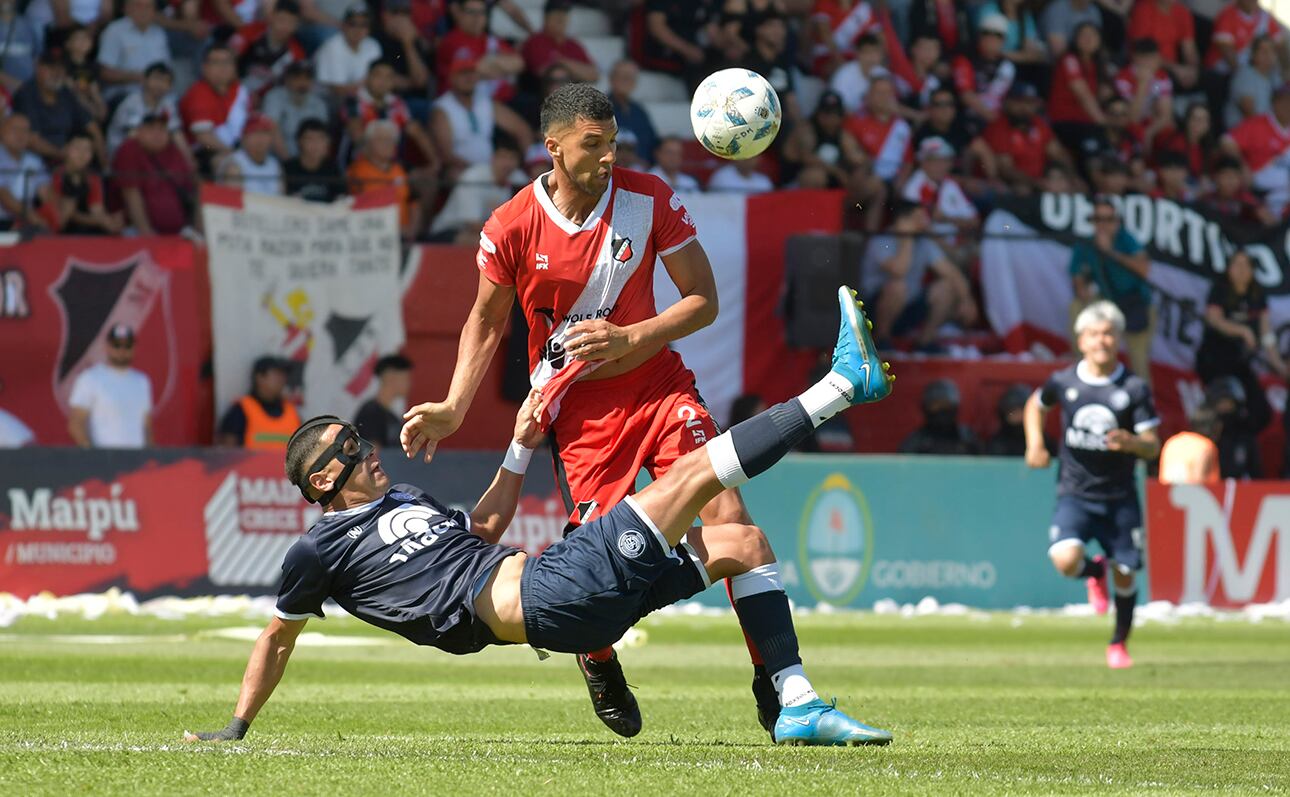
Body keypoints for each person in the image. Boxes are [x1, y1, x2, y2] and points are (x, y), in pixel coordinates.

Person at [185, 289, 897, 747]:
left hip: (563, 598)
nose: (367, 450)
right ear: (322, 479)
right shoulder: (320, 548)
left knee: (742, 539)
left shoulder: (404, 502)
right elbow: (277, 638)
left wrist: (523, 440)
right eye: (349, 448)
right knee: (691, 475)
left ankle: (791, 697)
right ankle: (840, 385)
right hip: (553, 592)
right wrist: (237, 726)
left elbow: (484, 531)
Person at [401, 82, 803, 740]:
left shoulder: (649, 197)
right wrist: (451, 405)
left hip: (659, 385)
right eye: (594, 145)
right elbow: (484, 320)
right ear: (552, 147)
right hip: (580, 411)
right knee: (601, 566)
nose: (608, 157)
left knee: (730, 517)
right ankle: (597, 654)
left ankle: (777, 678)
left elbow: (703, 299)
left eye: (613, 143)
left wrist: (630, 337)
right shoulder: (510, 225)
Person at [1023, 301, 1161, 669]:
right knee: (1065, 560)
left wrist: (1131, 443)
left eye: (1108, 333)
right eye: (1094, 334)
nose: (1102, 340)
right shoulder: (1064, 381)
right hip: (1076, 493)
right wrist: (1035, 443)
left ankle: (1118, 644)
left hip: (1120, 498)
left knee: (1127, 574)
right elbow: (1036, 406)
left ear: (1117, 340)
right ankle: (1093, 571)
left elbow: (1152, 446)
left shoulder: (1134, 389)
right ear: (1081, 340)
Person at [860, 200, 977, 351]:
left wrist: (966, 300)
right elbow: (899, 271)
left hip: (909, 307)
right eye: (919, 218)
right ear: (903, 220)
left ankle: (924, 342)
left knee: (946, 287)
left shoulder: (923, 242)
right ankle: (881, 340)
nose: (925, 223)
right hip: (874, 312)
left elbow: (952, 273)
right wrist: (906, 238)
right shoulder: (880, 241)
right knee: (897, 286)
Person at [1068, 197, 1153, 386]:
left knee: (1138, 359)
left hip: (1135, 304)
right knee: (1077, 307)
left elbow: (1144, 269)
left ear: (1117, 221)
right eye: (1098, 219)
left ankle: (1143, 403)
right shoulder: (1085, 245)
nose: (1103, 225)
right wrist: (1084, 291)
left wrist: (1111, 252)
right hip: (1106, 307)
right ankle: (1081, 373)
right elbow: (1077, 281)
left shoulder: (1126, 240)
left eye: (1108, 219)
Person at [1196, 249, 1283, 421]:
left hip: (1239, 363)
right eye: (1236, 264)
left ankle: (1242, 443)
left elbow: (1267, 337)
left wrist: (1280, 367)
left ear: (1252, 270)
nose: (1241, 269)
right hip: (1214, 360)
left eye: (1245, 265)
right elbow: (1214, 319)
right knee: (1224, 408)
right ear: (1229, 268)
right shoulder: (1221, 289)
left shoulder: (1257, 295)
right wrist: (1242, 331)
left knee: (1261, 412)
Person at [430, 55, 532, 181]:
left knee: (521, 180)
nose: (468, 78)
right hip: (463, 169)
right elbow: (446, 154)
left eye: (472, 73)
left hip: (494, 168)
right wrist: (481, 170)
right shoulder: (443, 108)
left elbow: (523, 130)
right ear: (452, 78)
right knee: (465, 177)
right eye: (463, 74)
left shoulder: (485, 102)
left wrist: (524, 163)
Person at [67, 324, 153, 449]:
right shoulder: (90, 379)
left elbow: (146, 427)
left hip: (137, 463)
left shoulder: (142, 381)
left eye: (127, 346)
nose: (122, 351)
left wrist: (150, 459)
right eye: (117, 345)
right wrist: (95, 457)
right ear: (107, 347)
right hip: (105, 462)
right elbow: (76, 425)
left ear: (134, 347)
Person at [13, 51, 105, 165]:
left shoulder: (65, 93)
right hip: (34, 162)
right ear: (37, 67)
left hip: (68, 160)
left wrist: (105, 168)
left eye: (61, 69)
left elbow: (93, 129)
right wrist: (62, 154)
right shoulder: (26, 94)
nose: (57, 73)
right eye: (51, 68)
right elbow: (32, 140)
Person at [111, 112, 195, 236]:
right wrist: (146, 233)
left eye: (162, 129)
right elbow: (131, 193)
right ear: (139, 132)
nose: (157, 133)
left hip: (179, 233)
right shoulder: (129, 149)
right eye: (151, 128)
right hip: (139, 232)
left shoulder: (173, 151)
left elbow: (192, 189)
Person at [428, 142, 526, 242]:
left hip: (489, 232)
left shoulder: (518, 179)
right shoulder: (473, 177)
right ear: (493, 158)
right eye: (503, 157)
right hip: (449, 231)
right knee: (489, 243)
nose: (507, 163)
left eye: (512, 158)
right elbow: (472, 224)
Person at [982, 82, 1068, 194]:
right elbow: (1006, 169)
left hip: (1041, 182)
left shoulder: (1038, 124)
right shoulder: (998, 127)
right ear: (1007, 103)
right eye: (1019, 102)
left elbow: (1058, 154)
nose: (1024, 107)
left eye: (1029, 102)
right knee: (1022, 189)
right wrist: (1037, 183)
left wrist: (1073, 178)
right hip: (1012, 185)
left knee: (1069, 186)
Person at [1220, 83, 1290, 220]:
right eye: (1285, 101)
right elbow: (1226, 142)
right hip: (1260, 194)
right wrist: (1243, 166)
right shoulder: (1258, 124)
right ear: (1275, 102)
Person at [435, 0, 524, 101]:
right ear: (459, 14)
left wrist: (491, 62)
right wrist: (500, 68)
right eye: (471, 12)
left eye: (481, 12)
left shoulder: (491, 39)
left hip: (504, 100)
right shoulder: (450, 41)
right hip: (464, 103)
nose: (477, 17)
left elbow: (519, 63)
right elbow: (470, 72)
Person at [179, 45, 250, 169]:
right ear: (204, 67)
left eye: (227, 62)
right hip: (205, 150)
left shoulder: (239, 90)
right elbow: (204, 138)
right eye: (216, 62)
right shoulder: (198, 93)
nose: (223, 68)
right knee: (232, 166)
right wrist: (233, 153)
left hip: (238, 148)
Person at [347, 119, 418, 238]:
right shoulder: (356, 171)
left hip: (404, 236)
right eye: (381, 139)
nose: (387, 144)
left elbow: (415, 203)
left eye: (391, 140)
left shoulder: (403, 170)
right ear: (367, 144)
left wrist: (412, 230)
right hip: (371, 236)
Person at [216, 356, 302, 450]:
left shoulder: (292, 412)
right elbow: (227, 453)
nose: (282, 379)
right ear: (260, 377)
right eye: (277, 374)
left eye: (283, 375)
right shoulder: (240, 411)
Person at [42, 132, 120, 234]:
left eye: (87, 150)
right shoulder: (55, 175)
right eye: (77, 148)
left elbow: (97, 209)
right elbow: (64, 212)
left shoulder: (93, 178)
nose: (82, 154)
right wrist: (101, 221)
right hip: (59, 230)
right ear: (66, 149)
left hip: (87, 231)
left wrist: (110, 222)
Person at [96, 0, 171, 103]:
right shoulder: (114, 31)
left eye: (148, 7)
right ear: (127, 8)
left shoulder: (159, 34)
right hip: (124, 95)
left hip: (157, 96)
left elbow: (166, 70)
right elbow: (105, 73)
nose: (143, 10)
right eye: (138, 5)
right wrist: (137, 77)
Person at [105, 62, 185, 157]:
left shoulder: (168, 104)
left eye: (165, 81)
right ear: (144, 80)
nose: (160, 84)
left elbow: (176, 134)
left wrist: (190, 162)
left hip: (150, 153)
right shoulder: (131, 102)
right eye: (156, 79)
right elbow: (133, 136)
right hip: (121, 155)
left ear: (170, 87)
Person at [231, 0, 305, 100]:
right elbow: (228, 60)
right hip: (237, 91)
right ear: (271, 17)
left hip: (272, 100)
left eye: (291, 22)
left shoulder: (297, 53)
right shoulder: (250, 32)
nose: (285, 27)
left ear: (296, 25)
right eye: (281, 20)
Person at [950, 14, 1015, 126]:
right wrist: (993, 119)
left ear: (1003, 40)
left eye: (997, 35)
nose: (991, 39)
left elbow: (1008, 99)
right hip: (967, 119)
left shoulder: (1008, 66)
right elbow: (966, 95)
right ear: (979, 36)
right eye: (986, 33)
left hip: (996, 120)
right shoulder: (965, 59)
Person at [262, 61, 330, 161]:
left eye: (307, 78)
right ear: (287, 80)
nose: (302, 83)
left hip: (309, 162)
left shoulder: (318, 104)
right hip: (277, 159)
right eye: (297, 78)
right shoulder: (274, 97)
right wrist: (289, 163)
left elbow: (322, 138)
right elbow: (272, 129)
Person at [520, 0, 598, 86]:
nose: (561, 20)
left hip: (571, 95)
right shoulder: (535, 41)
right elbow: (543, 72)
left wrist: (563, 62)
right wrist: (577, 70)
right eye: (557, 16)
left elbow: (593, 75)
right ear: (546, 18)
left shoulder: (574, 45)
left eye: (564, 16)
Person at [314, 3, 382, 99]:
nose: (358, 29)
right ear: (344, 26)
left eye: (364, 25)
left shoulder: (373, 45)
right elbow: (338, 90)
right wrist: (369, 83)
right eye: (353, 24)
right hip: (328, 101)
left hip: (361, 98)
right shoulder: (332, 47)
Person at [1127, 0, 1199, 90]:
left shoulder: (1182, 12)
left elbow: (1189, 48)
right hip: (1149, 67)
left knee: (1211, 78)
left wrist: (1193, 69)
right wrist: (1177, 69)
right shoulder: (1143, 10)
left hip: (1174, 67)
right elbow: (1142, 52)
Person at [899, 379, 980, 455]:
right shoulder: (915, 443)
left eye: (946, 405)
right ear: (926, 408)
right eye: (936, 406)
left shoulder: (967, 439)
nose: (942, 410)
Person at [1204, 375, 1263, 479]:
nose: (1224, 407)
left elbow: (1256, 474)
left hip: (1240, 491)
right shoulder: (1204, 437)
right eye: (1220, 403)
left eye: (1228, 403)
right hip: (1209, 491)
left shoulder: (1245, 437)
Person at [0, 114, 51, 232]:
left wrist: (51, 216)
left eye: (25, 130)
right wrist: (33, 218)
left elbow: (46, 194)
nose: (20, 135)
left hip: (25, 223)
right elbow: (3, 194)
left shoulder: (34, 160)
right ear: (2, 131)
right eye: (15, 129)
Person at [607, 60, 658, 169]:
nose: (628, 81)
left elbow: (653, 146)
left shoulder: (639, 112)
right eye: (624, 77)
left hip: (641, 172)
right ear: (612, 79)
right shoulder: (600, 108)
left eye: (631, 78)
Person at [354, 354, 413, 448]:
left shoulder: (393, 418)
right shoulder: (370, 412)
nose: (409, 384)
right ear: (390, 378)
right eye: (406, 378)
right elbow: (372, 453)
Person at [1225, 35, 1283, 130]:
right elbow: (1250, 114)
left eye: (1272, 51)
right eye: (1263, 51)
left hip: (1267, 132)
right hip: (1243, 132)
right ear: (1253, 54)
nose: (1268, 55)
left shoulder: (1275, 77)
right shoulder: (1245, 74)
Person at [1159, 403, 1221, 485]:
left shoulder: (1172, 442)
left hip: (1165, 495)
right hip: (1192, 495)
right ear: (1217, 427)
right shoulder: (1206, 446)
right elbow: (1200, 483)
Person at [284, 118, 344, 202]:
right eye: (309, 139)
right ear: (299, 141)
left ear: (327, 142)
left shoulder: (333, 168)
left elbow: (340, 199)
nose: (315, 144)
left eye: (320, 138)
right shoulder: (287, 168)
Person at [228, 114, 283, 195]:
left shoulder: (275, 165)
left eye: (264, 132)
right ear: (244, 137)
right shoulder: (234, 165)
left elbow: (282, 199)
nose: (260, 138)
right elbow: (233, 200)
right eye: (254, 132)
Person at [984, 383, 1042, 457]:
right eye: (1013, 412)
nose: (1019, 416)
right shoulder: (996, 445)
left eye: (1023, 412)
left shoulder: (1043, 443)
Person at [707, 155, 774, 195]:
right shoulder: (722, 177)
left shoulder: (764, 182)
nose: (748, 159)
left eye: (752, 156)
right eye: (745, 155)